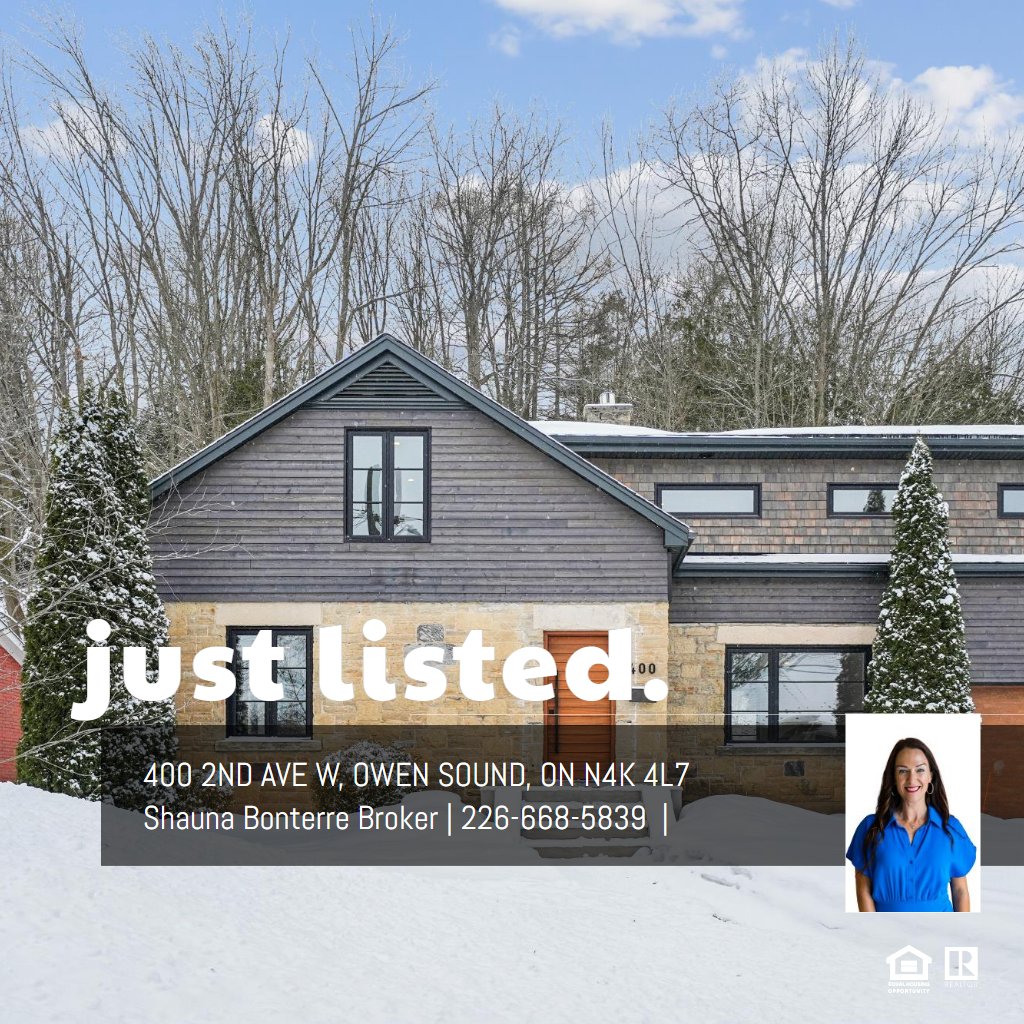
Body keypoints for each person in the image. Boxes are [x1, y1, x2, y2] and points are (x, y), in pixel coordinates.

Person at [846, 736, 976, 912]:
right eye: (902, 771)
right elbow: (863, 889)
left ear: (931, 776)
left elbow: (960, 891)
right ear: (893, 778)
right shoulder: (871, 827)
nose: (911, 779)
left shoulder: (951, 828)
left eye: (920, 770)